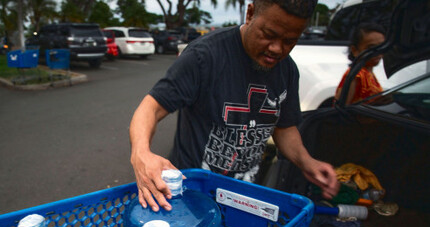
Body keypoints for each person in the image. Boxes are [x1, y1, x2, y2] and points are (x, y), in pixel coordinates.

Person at [129, 0, 340, 212]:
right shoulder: (205, 55)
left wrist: (307, 162)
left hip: (244, 198)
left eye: (289, 41)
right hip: (193, 197)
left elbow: (284, 127)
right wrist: (141, 153)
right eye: (268, 34)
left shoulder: (288, 71)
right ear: (250, 14)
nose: (277, 48)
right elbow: (151, 107)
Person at [335, 23, 386, 105]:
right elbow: (342, 109)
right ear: (355, 50)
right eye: (371, 48)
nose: (378, 52)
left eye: (381, 46)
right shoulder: (356, 76)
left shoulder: (368, 72)